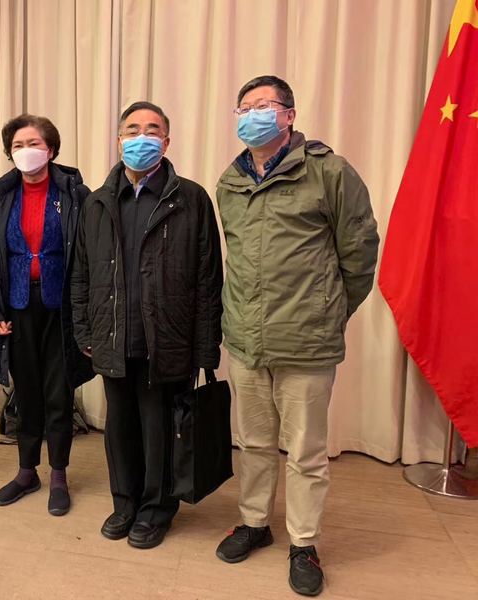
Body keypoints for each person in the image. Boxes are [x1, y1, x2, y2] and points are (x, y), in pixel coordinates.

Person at [214, 75, 379, 597]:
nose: (253, 114)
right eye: (245, 107)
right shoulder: (230, 182)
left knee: (306, 452)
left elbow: (359, 253)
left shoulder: (328, 171)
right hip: (245, 340)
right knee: (254, 443)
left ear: (288, 115)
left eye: (264, 105)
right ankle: (254, 523)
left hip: (306, 342)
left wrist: (327, 313)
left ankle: (303, 543)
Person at [71, 101, 223, 548]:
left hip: (169, 340)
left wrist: (205, 346)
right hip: (113, 336)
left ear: (166, 142)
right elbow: (81, 275)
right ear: (119, 140)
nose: (142, 137)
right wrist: (84, 331)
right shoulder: (97, 202)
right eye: (133, 130)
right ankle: (125, 503)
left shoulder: (190, 198)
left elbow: (208, 278)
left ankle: (157, 509)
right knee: (119, 429)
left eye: (152, 130)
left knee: (160, 431)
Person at [0, 114, 94, 516]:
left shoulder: (76, 194)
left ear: (51, 149)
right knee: (25, 393)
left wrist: (87, 316)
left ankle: (58, 475)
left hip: (62, 309)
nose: (26, 151)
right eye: (18, 146)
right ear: (10, 153)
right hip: (16, 308)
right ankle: (27, 472)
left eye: (34, 144)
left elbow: (92, 258)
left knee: (58, 393)